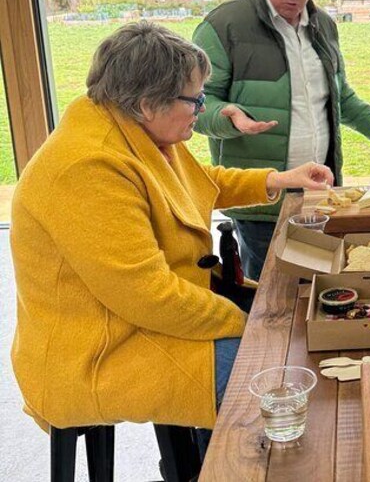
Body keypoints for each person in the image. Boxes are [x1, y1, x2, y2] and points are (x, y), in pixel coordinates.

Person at [10, 22, 333, 457]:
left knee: (282, 333)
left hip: (140, 320)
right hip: (101, 349)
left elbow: (193, 182)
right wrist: (251, 327)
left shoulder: (133, 126)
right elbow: (149, 297)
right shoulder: (88, 168)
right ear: (147, 104)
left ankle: (202, 456)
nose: (202, 107)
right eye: (194, 99)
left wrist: (278, 179)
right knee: (270, 370)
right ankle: (211, 464)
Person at [192, 0, 370, 280]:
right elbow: (197, 106)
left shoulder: (324, 26)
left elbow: (341, 97)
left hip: (317, 194)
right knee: (267, 293)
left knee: (314, 283)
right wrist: (229, 117)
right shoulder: (224, 26)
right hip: (262, 201)